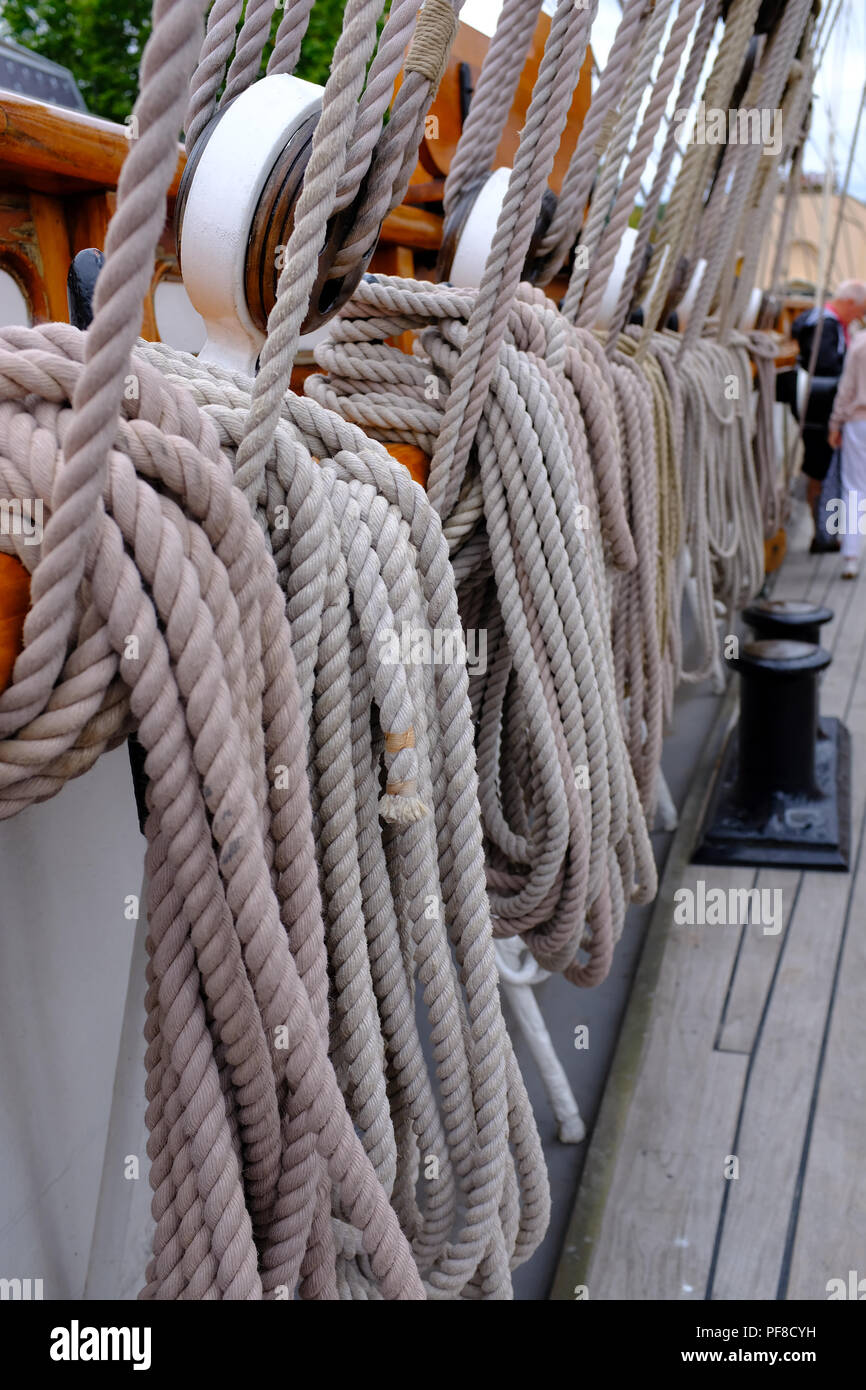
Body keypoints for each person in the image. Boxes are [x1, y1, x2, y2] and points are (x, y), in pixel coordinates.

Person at [792, 280, 866, 551]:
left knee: (837, 478)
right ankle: (825, 536)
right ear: (849, 303)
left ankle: (834, 538)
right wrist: (835, 422)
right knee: (824, 473)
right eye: (860, 310)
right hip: (823, 417)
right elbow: (836, 379)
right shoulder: (826, 328)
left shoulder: (830, 325)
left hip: (831, 416)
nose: (860, 316)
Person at [828, 325, 866, 578]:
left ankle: (851, 556)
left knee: (854, 487)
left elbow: (847, 387)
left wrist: (835, 423)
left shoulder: (860, 344)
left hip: (859, 421)